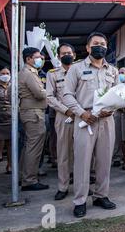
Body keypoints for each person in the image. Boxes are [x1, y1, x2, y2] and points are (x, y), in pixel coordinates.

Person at [63, 32, 118, 217]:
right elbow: (67, 95)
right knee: (82, 162)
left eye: (103, 44)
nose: (100, 46)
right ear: (87, 48)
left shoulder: (112, 70)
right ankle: (80, 200)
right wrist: (82, 113)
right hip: (85, 120)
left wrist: (112, 110)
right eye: (95, 43)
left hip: (106, 120)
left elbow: (119, 95)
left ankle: (101, 195)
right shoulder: (76, 69)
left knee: (104, 161)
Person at [46, 43, 77, 201]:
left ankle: (81, 185)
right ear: (58, 57)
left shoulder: (80, 70)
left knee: (82, 153)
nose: (67, 55)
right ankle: (63, 186)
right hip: (63, 116)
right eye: (63, 53)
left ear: (74, 55)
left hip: (81, 116)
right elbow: (49, 97)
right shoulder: (52, 74)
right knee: (63, 152)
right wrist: (66, 110)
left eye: (69, 53)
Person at [18, 48, 49, 191]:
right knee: (34, 147)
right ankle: (29, 180)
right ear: (28, 59)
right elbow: (39, 93)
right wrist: (48, 91)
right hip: (34, 113)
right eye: (37, 57)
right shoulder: (29, 73)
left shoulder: (27, 73)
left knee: (29, 146)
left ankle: (24, 176)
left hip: (30, 112)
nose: (40, 60)